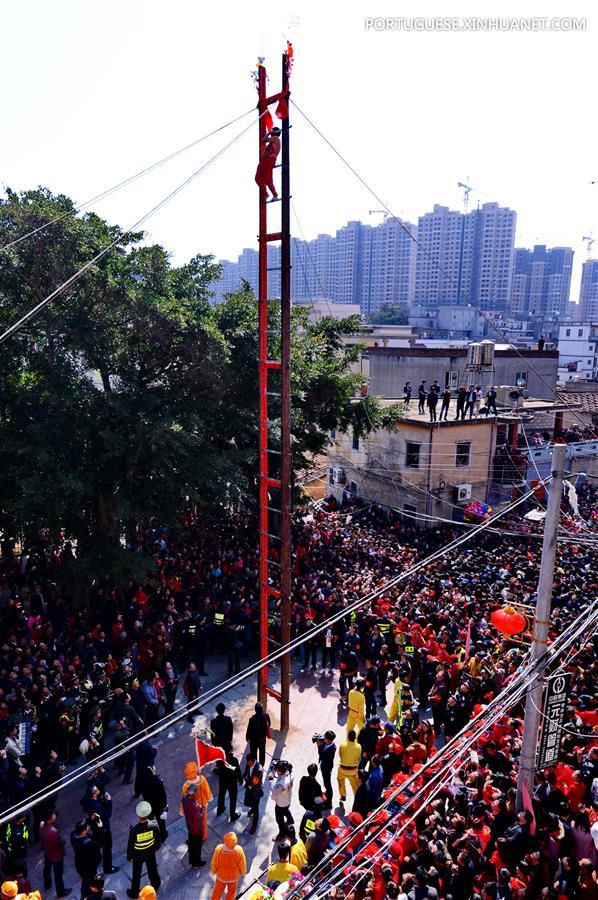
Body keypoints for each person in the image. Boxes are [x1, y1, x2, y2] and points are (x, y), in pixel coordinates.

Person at [126, 801, 161, 900]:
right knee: (152, 870)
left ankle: (134, 893)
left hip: (138, 855)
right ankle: (156, 885)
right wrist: (157, 847)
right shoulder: (154, 825)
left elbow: (131, 845)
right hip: (150, 852)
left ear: (138, 815)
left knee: (136, 874)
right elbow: (158, 838)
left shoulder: (134, 831)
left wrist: (129, 857)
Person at [40, 809, 71, 899]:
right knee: (58, 875)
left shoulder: (42, 825)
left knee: (47, 869)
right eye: (53, 815)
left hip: (47, 852)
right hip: (56, 855)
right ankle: (60, 893)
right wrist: (63, 841)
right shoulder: (53, 831)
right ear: (50, 819)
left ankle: (47, 885)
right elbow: (60, 842)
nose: (55, 816)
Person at [209, 831, 247, 900]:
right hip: (234, 876)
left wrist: (214, 871)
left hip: (221, 876)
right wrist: (242, 871)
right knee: (231, 892)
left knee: (217, 891)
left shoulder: (219, 848)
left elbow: (214, 862)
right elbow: (242, 862)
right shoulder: (239, 849)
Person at [70, 819, 101, 900]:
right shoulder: (87, 843)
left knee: (87, 880)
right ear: (84, 830)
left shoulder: (73, 835)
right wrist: (100, 828)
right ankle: (85, 897)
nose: (88, 827)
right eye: (87, 826)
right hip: (88, 868)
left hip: (80, 864)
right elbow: (98, 844)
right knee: (87, 882)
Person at [181, 783, 207, 867]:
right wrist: (202, 810)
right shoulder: (195, 807)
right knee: (197, 847)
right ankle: (197, 862)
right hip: (196, 830)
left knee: (191, 845)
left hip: (189, 826)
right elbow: (198, 819)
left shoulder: (184, 799)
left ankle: (192, 860)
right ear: (194, 794)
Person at [254, 127, 281, 201]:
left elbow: (264, 140)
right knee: (257, 178)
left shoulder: (276, 138)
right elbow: (264, 140)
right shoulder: (273, 141)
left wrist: (269, 133)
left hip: (269, 160)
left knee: (268, 179)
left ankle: (275, 195)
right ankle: (266, 194)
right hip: (264, 160)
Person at [215, 750, 242, 822]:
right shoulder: (234, 760)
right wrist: (240, 780)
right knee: (233, 799)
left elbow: (217, 767)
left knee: (221, 795)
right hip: (232, 782)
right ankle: (232, 815)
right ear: (230, 750)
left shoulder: (220, 759)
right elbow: (238, 771)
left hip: (222, 781)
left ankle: (219, 809)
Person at [271, 760, 294, 838]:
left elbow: (274, 791)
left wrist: (271, 780)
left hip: (281, 803)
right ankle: (290, 820)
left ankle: (282, 834)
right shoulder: (290, 774)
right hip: (288, 799)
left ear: (281, 771)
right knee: (286, 810)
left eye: (277, 769)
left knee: (279, 820)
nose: (276, 770)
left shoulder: (281, 784)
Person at [337, 729, 362, 802]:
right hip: (353, 771)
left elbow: (340, 755)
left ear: (348, 737)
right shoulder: (359, 746)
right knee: (355, 786)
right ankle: (357, 798)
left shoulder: (342, 745)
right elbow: (358, 757)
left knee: (340, 782)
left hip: (342, 770)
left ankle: (343, 795)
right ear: (355, 737)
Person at [242, 753, 263, 834]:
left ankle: (254, 825)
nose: (248, 764)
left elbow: (254, 782)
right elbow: (245, 774)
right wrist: (247, 779)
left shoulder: (259, 769)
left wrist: (247, 779)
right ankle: (252, 809)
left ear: (253, 761)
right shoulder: (249, 764)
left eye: (249, 762)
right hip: (249, 788)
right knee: (247, 802)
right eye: (247, 762)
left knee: (256, 808)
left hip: (256, 792)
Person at [317, 731, 336, 810]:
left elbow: (321, 755)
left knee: (328, 786)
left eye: (325, 738)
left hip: (327, 769)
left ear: (329, 740)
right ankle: (327, 796)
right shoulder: (328, 744)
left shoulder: (331, 748)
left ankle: (329, 804)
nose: (323, 739)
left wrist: (319, 747)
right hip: (325, 767)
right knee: (326, 784)